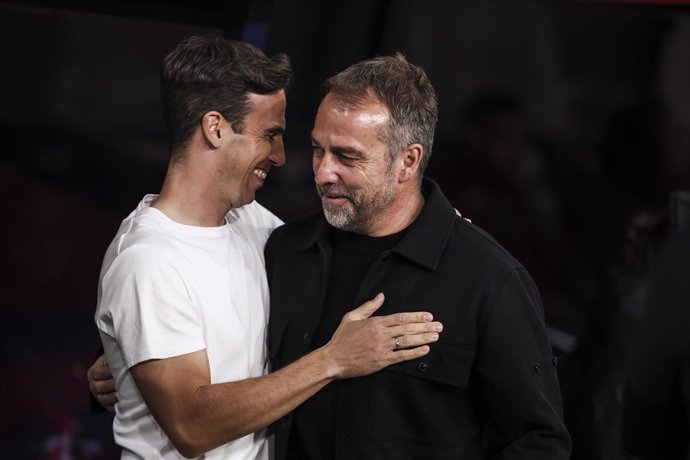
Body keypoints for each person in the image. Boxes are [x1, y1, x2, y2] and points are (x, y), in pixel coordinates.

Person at [92, 36, 442, 459]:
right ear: (216, 128)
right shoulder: (148, 261)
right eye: (269, 135)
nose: (279, 156)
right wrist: (333, 360)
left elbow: (359, 235)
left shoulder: (255, 225)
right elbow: (192, 425)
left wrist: (437, 224)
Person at [264, 53, 572, 459]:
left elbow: (538, 443)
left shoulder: (488, 279)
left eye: (347, 156)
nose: (322, 172)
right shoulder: (285, 251)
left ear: (407, 161)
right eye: (319, 150)